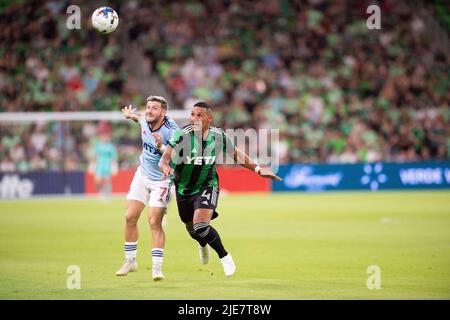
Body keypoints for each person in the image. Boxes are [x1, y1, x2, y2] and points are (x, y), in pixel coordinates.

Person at [159, 101, 282, 277]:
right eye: (192, 114)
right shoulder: (181, 135)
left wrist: (258, 169)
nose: (194, 118)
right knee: (192, 229)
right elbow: (164, 159)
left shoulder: (218, 135)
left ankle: (225, 257)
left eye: (199, 115)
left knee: (201, 225)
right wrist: (166, 168)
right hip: (183, 189)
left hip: (208, 185)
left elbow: (236, 154)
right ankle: (202, 245)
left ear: (209, 118)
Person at [115, 96, 179, 281]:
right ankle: (130, 261)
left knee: (154, 222)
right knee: (130, 217)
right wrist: (130, 115)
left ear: (163, 112)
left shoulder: (172, 131)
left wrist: (161, 146)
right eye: (148, 107)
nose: (149, 111)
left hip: (162, 180)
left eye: (154, 108)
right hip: (142, 175)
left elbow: (177, 157)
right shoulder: (145, 118)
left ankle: (157, 269)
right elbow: (139, 119)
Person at [90, 125, 118, 199]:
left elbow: (113, 157)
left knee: (107, 180)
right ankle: (101, 192)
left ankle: (107, 194)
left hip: (107, 165)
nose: (105, 138)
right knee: (97, 180)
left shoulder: (111, 146)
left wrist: (114, 166)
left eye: (107, 136)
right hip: (99, 165)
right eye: (104, 136)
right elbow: (95, 155)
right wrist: (92, 164)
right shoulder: (99, 145)